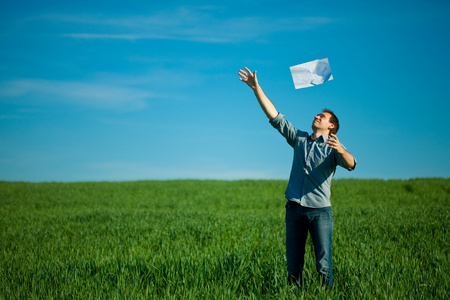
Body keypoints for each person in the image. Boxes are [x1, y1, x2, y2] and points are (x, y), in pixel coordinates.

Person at [238, 67, 356, 289]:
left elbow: (351, 164)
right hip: (294, 209)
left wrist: (341, 149)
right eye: (316, 114)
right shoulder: (299, 139)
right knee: (293, 266)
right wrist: (256, 88)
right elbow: (275, 116)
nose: (316, 116)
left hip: (320, 212)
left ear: (331, 126)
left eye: (322, 116)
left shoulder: (334, 147)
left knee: (323, 265)